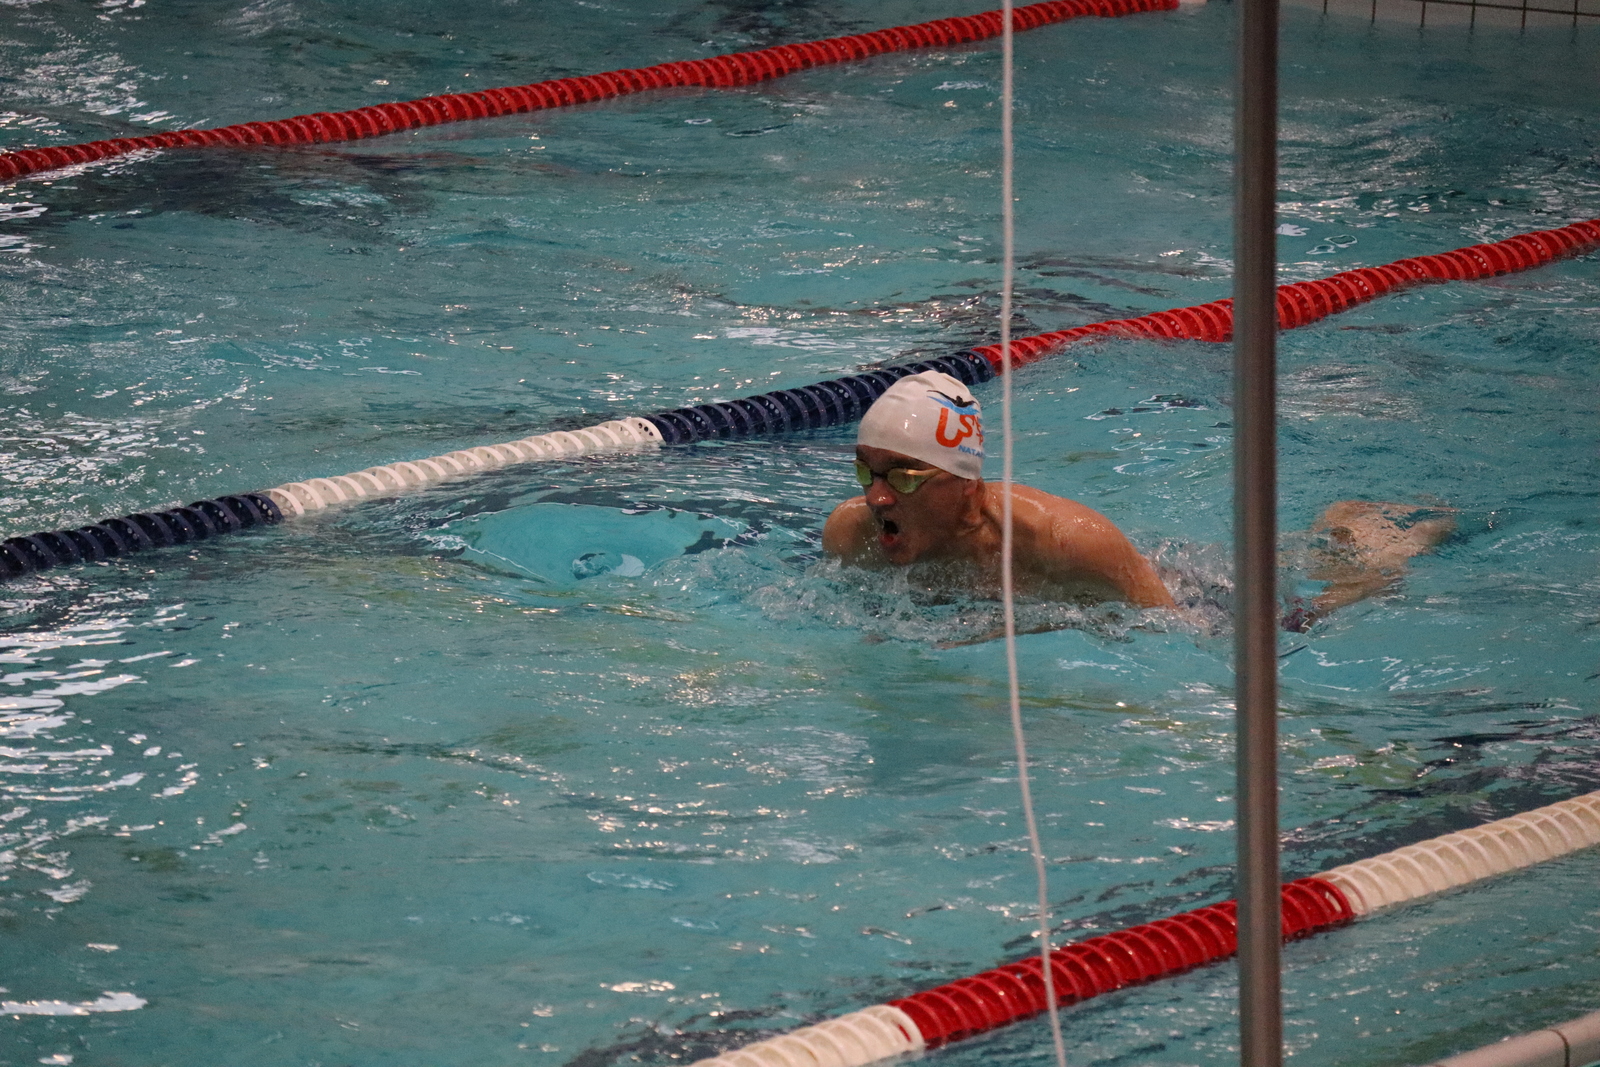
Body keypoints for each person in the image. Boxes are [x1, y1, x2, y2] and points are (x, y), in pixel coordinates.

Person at [821, 371, 1453, 628]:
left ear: (966, 484)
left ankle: (1376, 542)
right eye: (866, 473)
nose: (877, 497)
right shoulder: (849, 537)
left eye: (903, 477)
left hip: (1183, 601)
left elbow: (1172, 635)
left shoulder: (1066, 542)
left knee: (1296, 616)